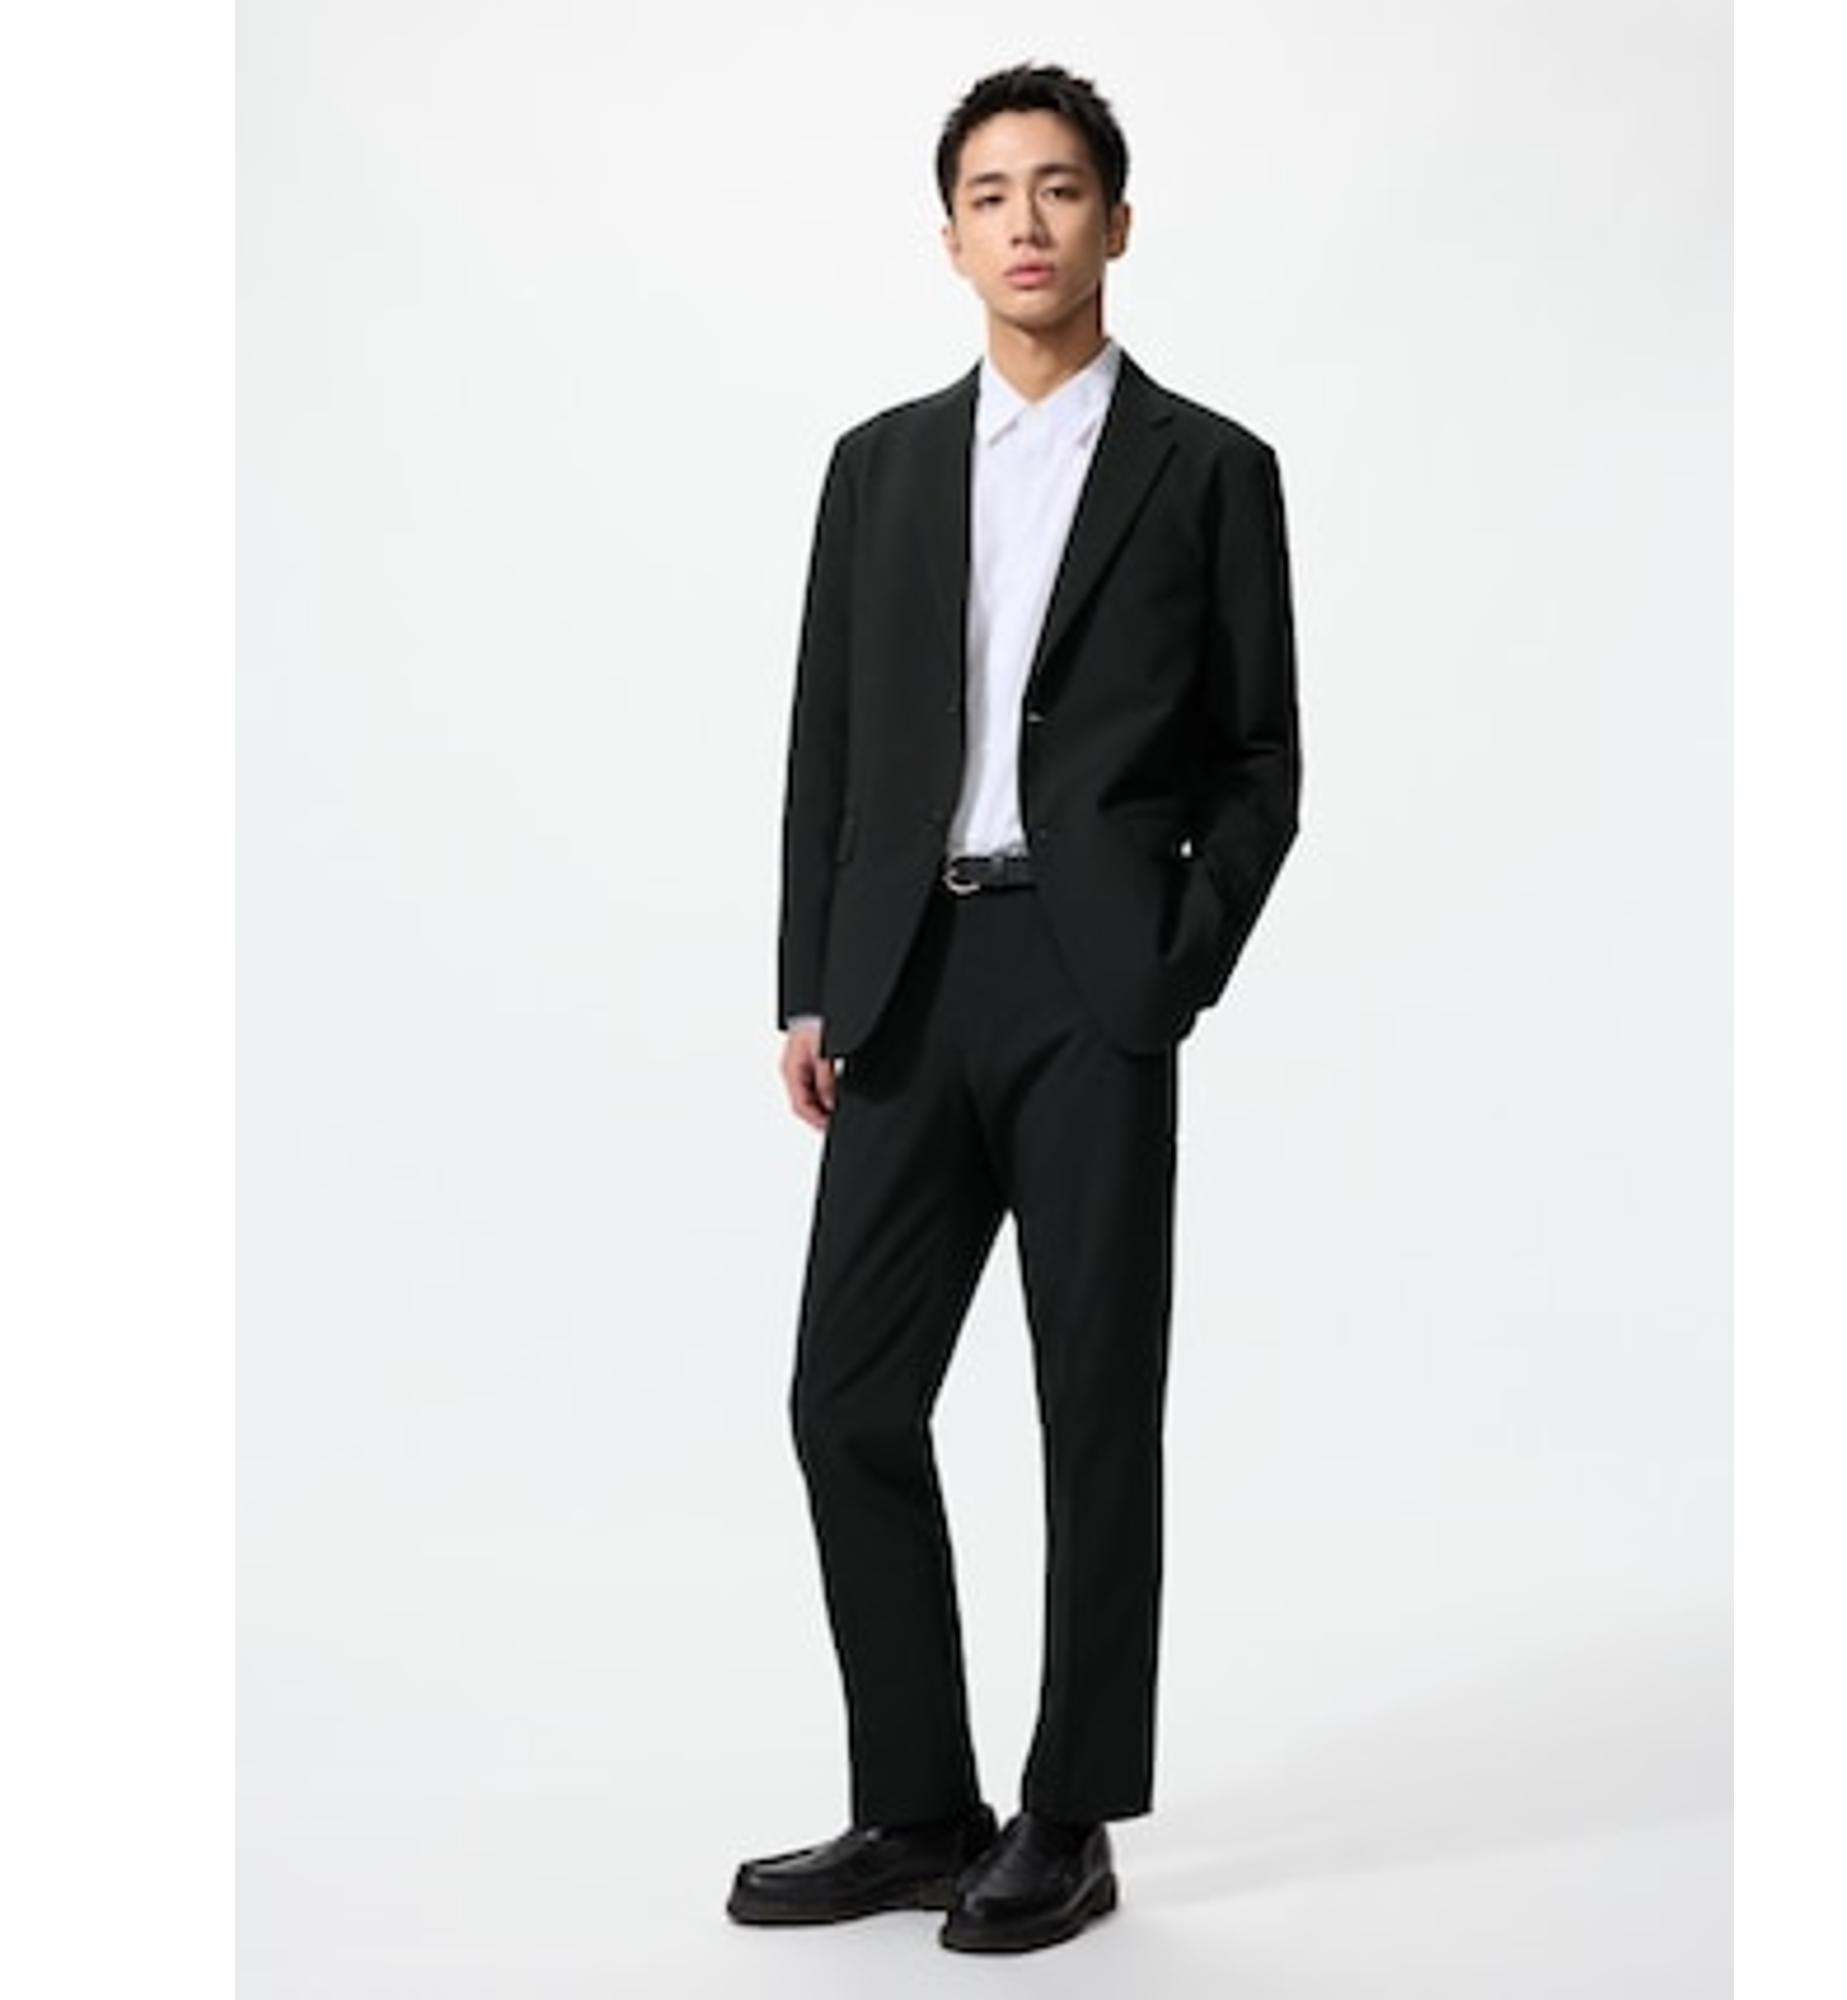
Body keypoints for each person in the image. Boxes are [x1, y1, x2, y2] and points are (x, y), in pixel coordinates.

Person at [726, 60, 1301, 1954]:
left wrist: (1170, 961)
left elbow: (1260, 762)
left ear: (1116, 222)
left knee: (1091, 1408)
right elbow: (826, 745)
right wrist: (812, 983)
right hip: (907, 979)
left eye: (1060, 189)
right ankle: (917, 1807)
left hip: (1088, 985)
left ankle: (1069, 1813)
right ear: (951, 236)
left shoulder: (1210, 470)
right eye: (992, 193)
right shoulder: (880, 467)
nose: (1028, 222)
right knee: (846, 1399)